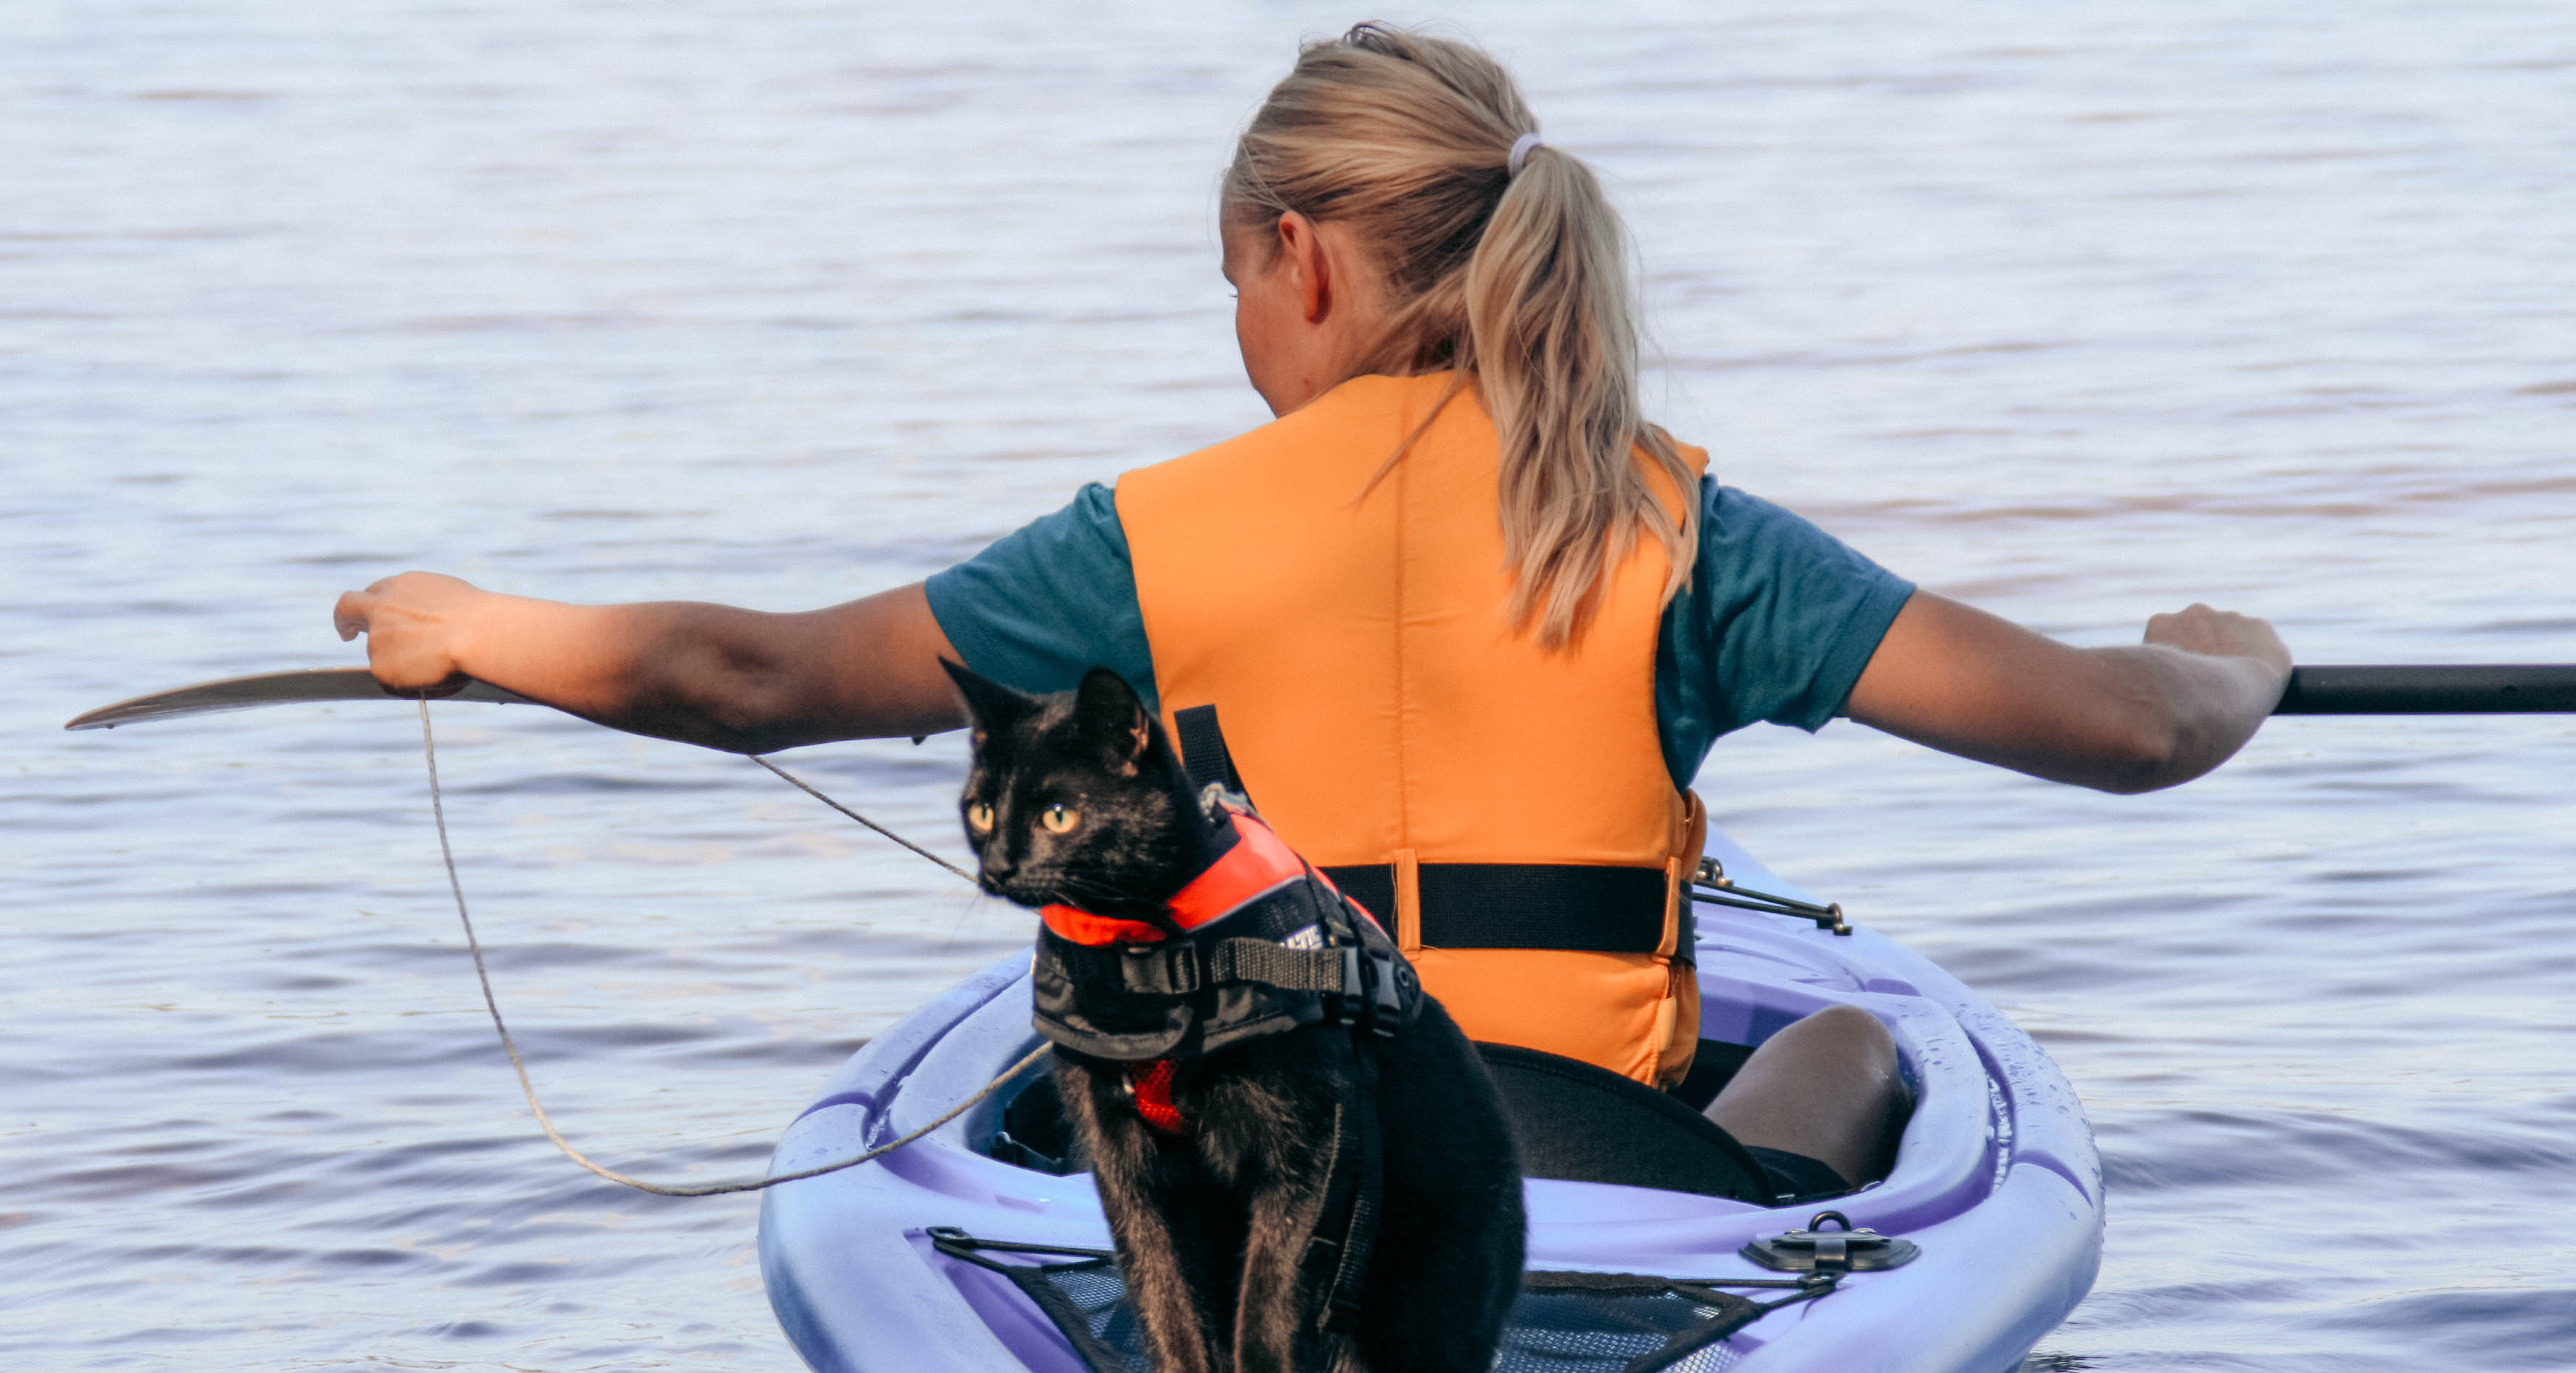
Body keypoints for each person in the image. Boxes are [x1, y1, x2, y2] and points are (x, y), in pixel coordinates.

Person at [333, 24, 2289, 1200]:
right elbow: (2124, 731)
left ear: (1302, 259)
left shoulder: (1141, 547)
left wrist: (479, 623)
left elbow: (743, 679)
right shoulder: (1679, 532)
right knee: (1861, 1037)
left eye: (1235, 286)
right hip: (1584, 1171)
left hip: (1267, 1160)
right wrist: (2230, 667)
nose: (1243, 330)